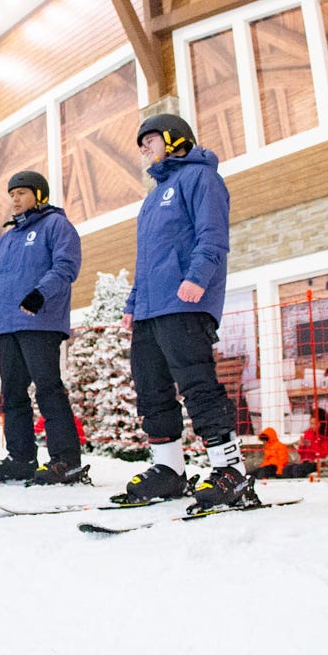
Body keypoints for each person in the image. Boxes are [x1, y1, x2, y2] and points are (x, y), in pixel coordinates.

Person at [118, 113, 251, 511]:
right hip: (149, 309)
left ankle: (231, 471)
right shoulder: (152, 198)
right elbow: (146, 259)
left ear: (175, 139)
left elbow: (213, 235)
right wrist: (132, 303)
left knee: (198, 384)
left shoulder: (201, 178)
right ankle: (169, 471)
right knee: (151, 389)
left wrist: (198, 277)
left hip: (185, 301)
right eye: (141, 143)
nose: (144, 148)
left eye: (150, 139)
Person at [0, 169, 87, 486]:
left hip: (41, 321)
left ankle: (65, 460)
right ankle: (21, 459)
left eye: (22, 193)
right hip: (10, 326)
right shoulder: (8, 238)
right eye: (12, 195)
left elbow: (66, 265)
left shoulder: (56, 225)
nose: (15, 199)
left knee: (48, 389)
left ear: (39, 196)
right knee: (12, 394)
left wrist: (40, 294)